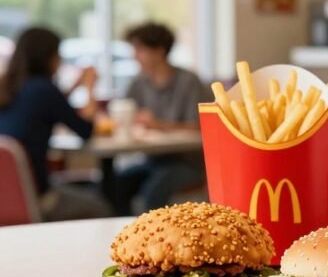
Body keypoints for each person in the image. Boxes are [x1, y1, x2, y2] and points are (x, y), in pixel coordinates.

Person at [0, 27, 111, 221]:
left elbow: (50, 109)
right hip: (37, 196)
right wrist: (90, 88)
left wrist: (75, 86)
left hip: (7, 197)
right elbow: (85, 130)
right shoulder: (44, 89)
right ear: (49, 57)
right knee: (101, 207)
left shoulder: (7, 87)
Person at [114, 22, 211, 214]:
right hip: (152, 160)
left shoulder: (188, 81)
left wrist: (156, 124)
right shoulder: (139, 82)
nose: (135, 55)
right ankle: (124, 237)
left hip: (187, 162)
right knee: (116, 184)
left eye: (140, 49)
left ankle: (155, 239)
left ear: (158, 51)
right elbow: (125, 113)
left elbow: (199, 127)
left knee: (153, 191)